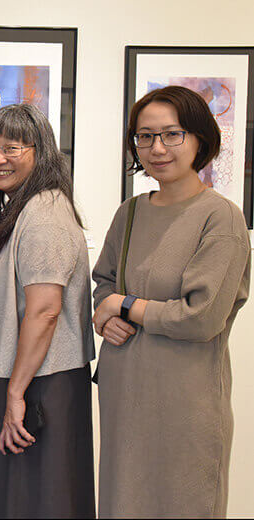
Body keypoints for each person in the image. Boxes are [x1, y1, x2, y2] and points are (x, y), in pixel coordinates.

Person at [92, 85, 250, 518]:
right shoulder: (130, 213)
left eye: (171, 134)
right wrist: (105, 316)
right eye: (145, 136)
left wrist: (124, 307)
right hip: (125, 397)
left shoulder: (221, 217)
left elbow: (201, 317)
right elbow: (103, 285)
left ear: (200, 139)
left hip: (187, 403)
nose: (157, 147)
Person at [0, 104, 95, 519]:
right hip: (33, 374)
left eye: (12, 147)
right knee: (33, 495)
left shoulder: (44, 215)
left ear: (40, 151)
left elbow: (45, 310)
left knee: (39, 498)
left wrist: (15, 394)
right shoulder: (26, 207)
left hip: (39, 381)